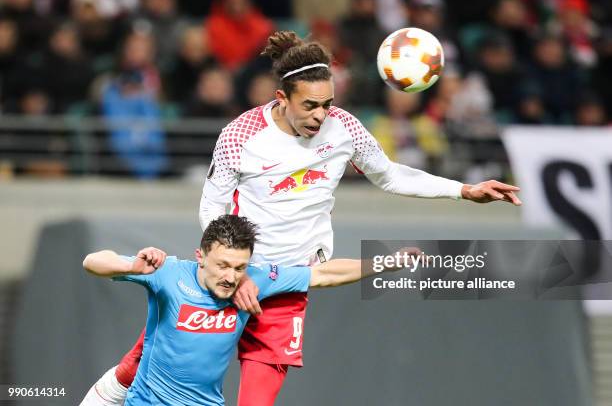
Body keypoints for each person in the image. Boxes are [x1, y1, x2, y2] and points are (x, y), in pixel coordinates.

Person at [90, 30, 522, 406]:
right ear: (282, 98)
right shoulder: (240, 135)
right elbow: (212, 205)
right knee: (141, 368)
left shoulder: (345, 129)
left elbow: (389, 176)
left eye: (328, 104)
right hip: (234, 277)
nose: (321, 115)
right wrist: (226, 269)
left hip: (289, 282)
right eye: (311, 105)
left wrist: (464, 190)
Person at [81, 215, 406, 405]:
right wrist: (135, 268)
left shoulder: (256, 282)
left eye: (239, 267)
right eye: (222, 265)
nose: (230, 277)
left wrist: (385, 262)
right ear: (200, 256)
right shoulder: (167, 274)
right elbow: (93, 261)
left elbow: (323, 275)